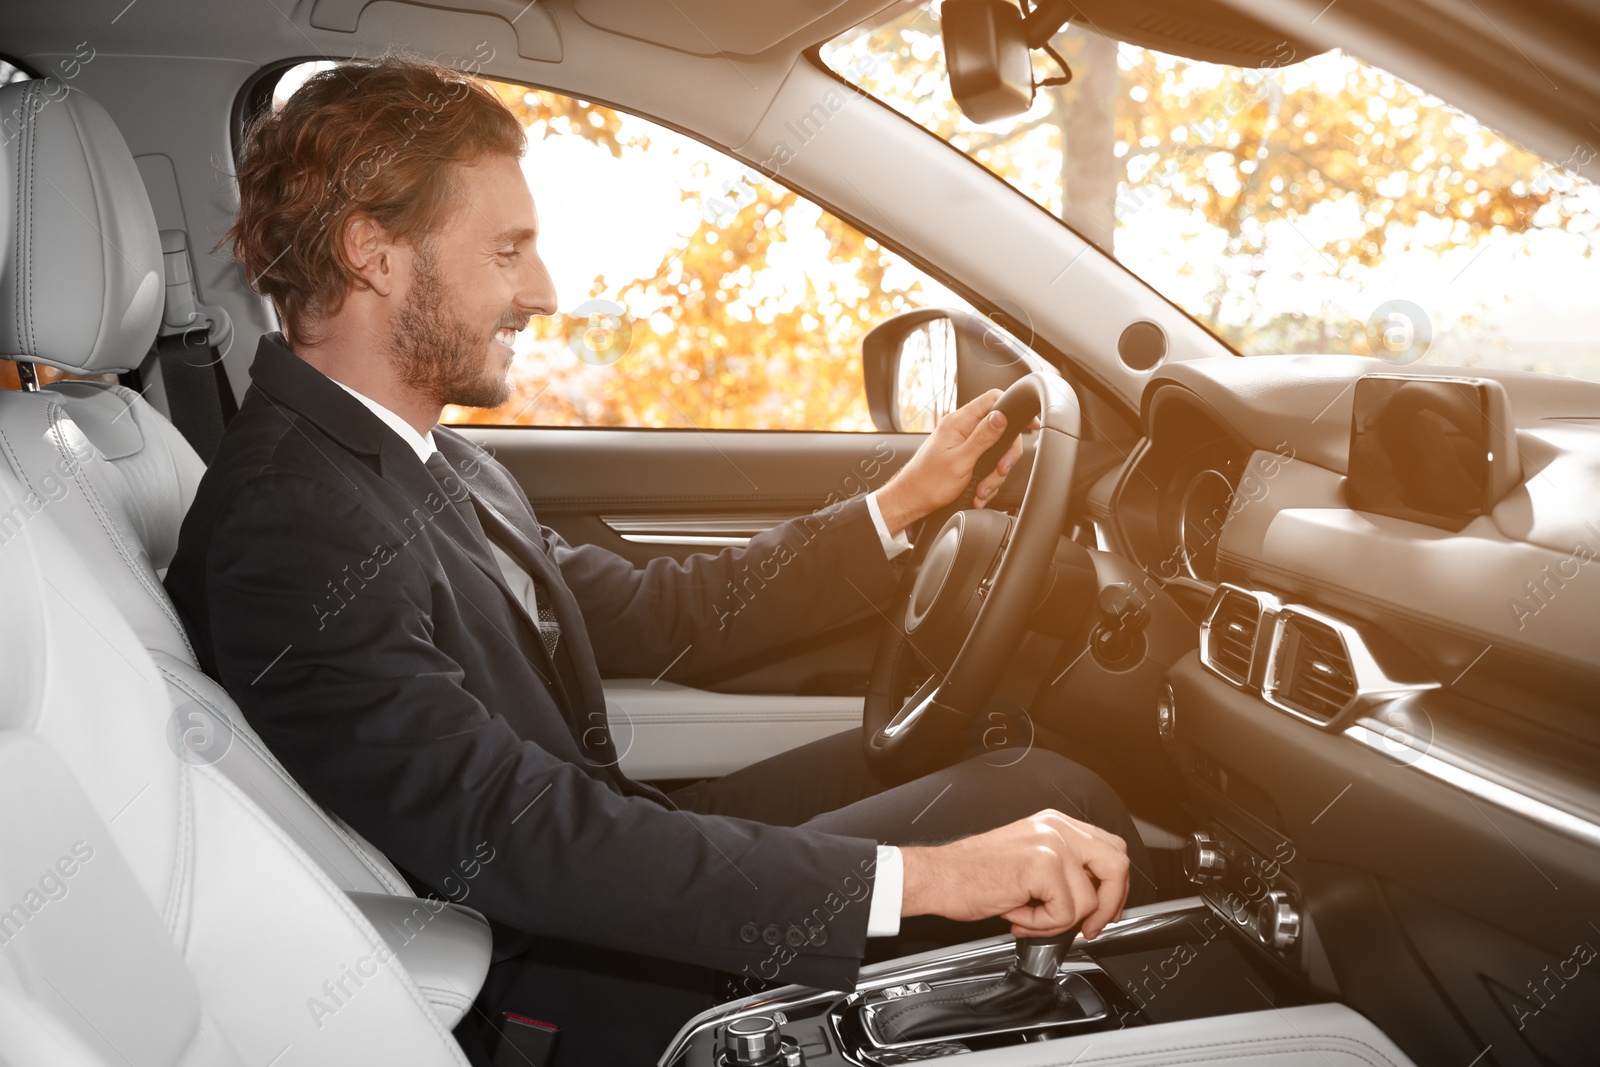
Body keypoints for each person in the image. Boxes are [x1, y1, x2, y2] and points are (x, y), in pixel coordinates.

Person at [165, 55, 1152, 1065]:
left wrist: (904, 500)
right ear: (372, 251)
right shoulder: (287, 522)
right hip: (557, 984)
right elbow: (515, 831)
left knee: (1003, 751)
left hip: (596, 866)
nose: (542, 293)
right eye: (508, 251)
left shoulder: (417, 457)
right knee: (1044, 804)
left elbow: (652, 611)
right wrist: (935, 878)